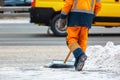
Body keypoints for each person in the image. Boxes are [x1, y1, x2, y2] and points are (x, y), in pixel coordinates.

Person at [59, 0, 102, 71]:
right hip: (87, 19)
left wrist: (62, 17)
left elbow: (68, 3)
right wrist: (91, 16)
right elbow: (98, 6)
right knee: (82, 41)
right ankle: (78, 65)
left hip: (75, 18)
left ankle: (80, 55)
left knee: (70, 40)